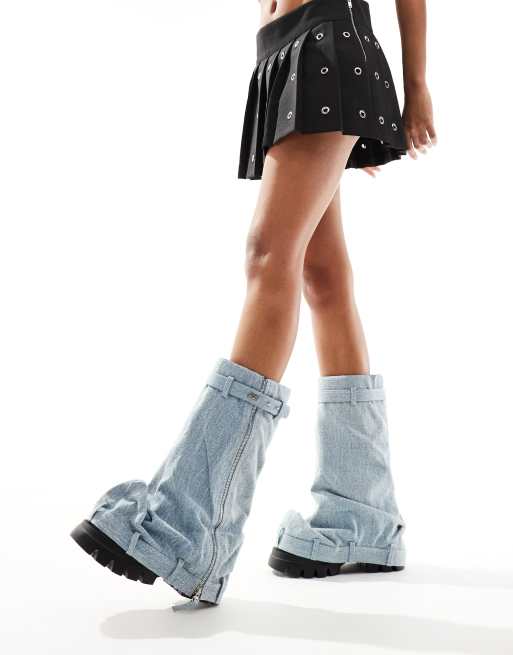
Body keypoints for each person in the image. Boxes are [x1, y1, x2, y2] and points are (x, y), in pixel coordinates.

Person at [71, 0, 436, 608]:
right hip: (282, 55)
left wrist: (416, 88)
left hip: (328, 45)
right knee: (321, 275)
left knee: (269, 256)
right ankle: (362, 512)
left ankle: (185, 523)